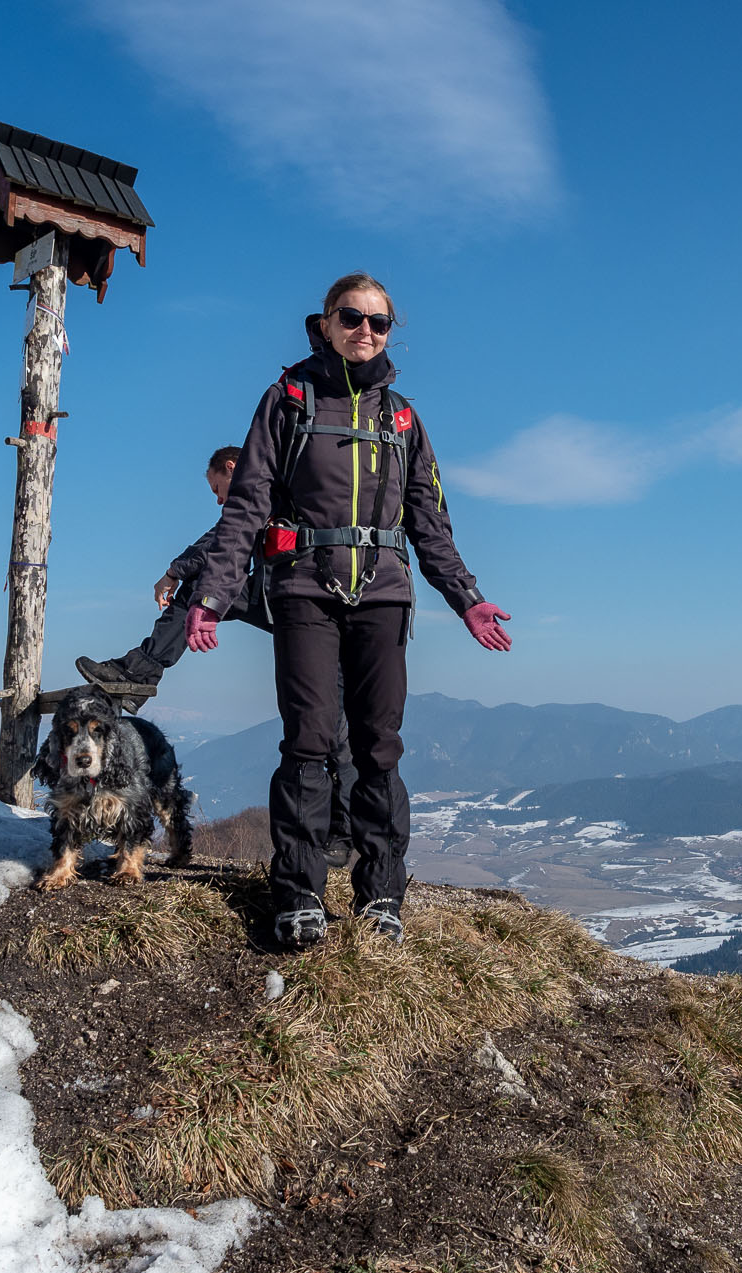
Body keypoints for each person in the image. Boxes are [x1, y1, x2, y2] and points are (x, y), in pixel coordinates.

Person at [183, 271, 512, 948]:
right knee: (308, 742)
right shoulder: (288, 400)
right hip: (304, 589)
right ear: (324, 323)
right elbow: (246, 506)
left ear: (392, 331)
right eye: (351, 318)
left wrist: (468, 599)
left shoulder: (403, 419)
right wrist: (213, 595)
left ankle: (381, 895)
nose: (366, 331)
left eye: (379, 321)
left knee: (379, 749)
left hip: (384, 598)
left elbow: (429, 521)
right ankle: (299, 892)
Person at [75, 447, 361, 864]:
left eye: (216, 488)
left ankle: (344, 834)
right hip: (275, 595)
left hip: (319, 605)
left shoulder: (275, 484)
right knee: (200, 590)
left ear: (231, 468)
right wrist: (180, 573)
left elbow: (222, 538)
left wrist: (172, 572)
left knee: (335, 728)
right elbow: (224, 541)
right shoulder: (264, 489)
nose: (218, 498)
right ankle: (137, 672)